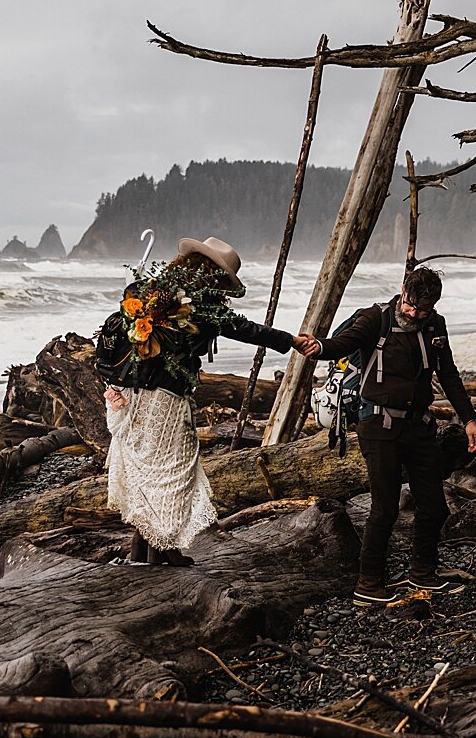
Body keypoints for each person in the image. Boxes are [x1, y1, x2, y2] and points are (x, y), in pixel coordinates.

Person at [96, 236, 314, 566]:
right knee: (172, 473)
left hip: (130, 396)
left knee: (148, 474)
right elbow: (246, 329)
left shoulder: (155, 292)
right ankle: (160, 554)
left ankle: (143, 553)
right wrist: (291, 341)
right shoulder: (197, 303)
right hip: (165, 402)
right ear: (212, 275)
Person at [306, 266, 476, 606]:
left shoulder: (435, 327)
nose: (413, 313)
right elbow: (341, 344)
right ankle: (368, 584)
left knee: (433, 506)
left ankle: (423, 574)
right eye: (410, 304)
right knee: (384, 509)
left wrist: (470, 419)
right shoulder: (377, 319)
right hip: (378, 427)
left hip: (419, 427)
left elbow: (448, 373)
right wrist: (317, 347)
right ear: (402, 291)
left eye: (422, 309)